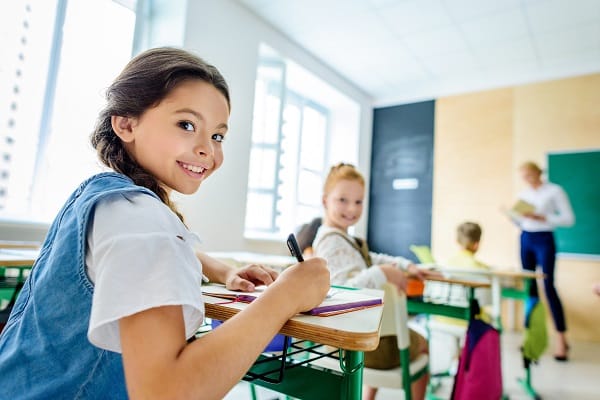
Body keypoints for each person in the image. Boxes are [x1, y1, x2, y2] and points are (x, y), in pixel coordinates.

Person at [0, 47, 330, 399]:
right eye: (187, 125)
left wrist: (223, 270)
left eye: (218, 136)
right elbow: (166, 391)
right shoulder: (142, 218)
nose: (208, 149)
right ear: (126, 123)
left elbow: (141, 251)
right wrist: (285, 296)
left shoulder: (106, 197)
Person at [312, 163, 429, 400]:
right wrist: (383, 273)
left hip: (360, 338)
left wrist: (404, 265)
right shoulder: (331, 242)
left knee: (398, 331)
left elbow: (373, 257)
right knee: (423, 344)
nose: (351, 208)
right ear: (325, 201)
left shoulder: (345, 239)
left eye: (358, 202)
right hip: (356, 344)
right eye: (343, 200)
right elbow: (343, 292)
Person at [512, 161, 575, 362]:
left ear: (538, 173)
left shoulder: (554, 191)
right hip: (525, 238)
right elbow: (518, 220)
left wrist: (542, 217)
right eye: (524, 177)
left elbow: (568, 219)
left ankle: (561, 340)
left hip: (544, 238)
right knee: (529, 288)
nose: (527, 180)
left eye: (529, 175)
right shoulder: (524, 194)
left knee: (548, 287)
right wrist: (516, 217)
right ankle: (530, 338)